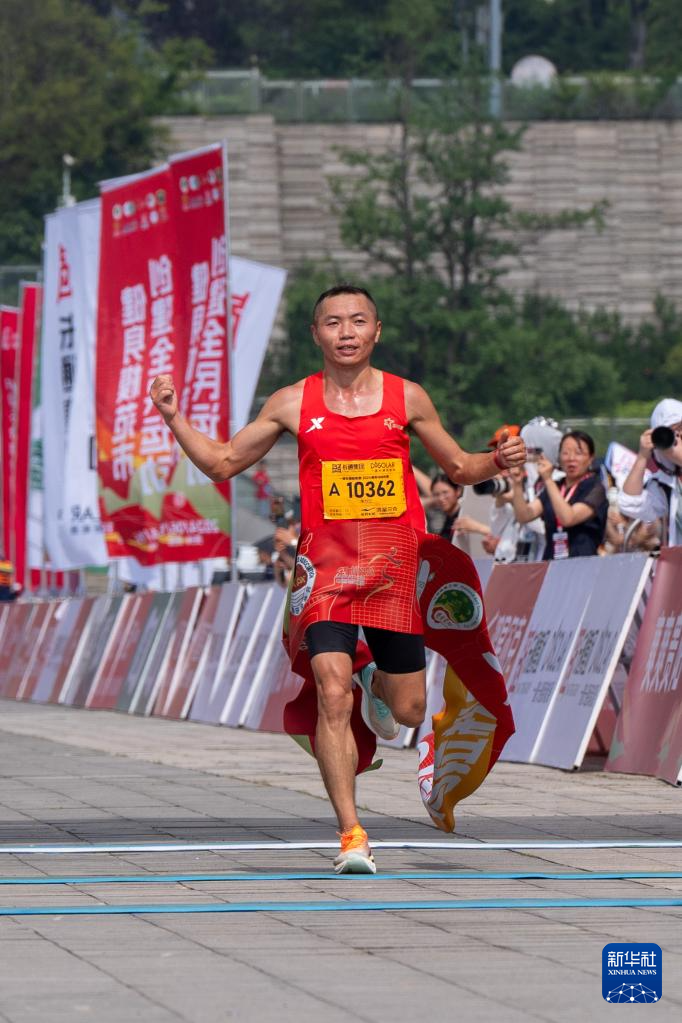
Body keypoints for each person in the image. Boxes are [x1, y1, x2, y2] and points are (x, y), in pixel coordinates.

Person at [150, 284, 525, 873]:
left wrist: (497, 462)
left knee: (408, 711)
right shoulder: (291, 402)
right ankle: (352, 833)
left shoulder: (407, 396)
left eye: (357, 321)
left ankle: (373, 678)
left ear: (377, 331)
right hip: (325, 571)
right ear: (315, 334)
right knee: (331, 691)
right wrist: (174, 417)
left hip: (393, 570)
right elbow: (222, 462)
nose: (346, 332)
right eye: (333, 322)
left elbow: (458, 467)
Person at [510, 429, 608, 559]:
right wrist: (517, 483)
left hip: (582, 562)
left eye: (578, 453)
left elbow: (568, 518)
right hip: (552, 562)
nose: (571, 458)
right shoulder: (555, 487)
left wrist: (547, 479)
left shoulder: (595, 488)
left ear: (590, 458)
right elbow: (524, 516)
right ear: (559, 458)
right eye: (565, 453)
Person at [619, 398, 682, 548]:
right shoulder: (664, 485)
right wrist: (642, 456)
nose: (677, 438)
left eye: (680, 429)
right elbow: (629, 503)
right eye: (670, 434)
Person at [430, 472, 491, 548]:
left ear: (458, 491)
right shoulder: (447, 520)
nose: (441, 498)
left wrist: (477, 528)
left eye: (445, 492)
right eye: (436, 494)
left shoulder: (469, 516)